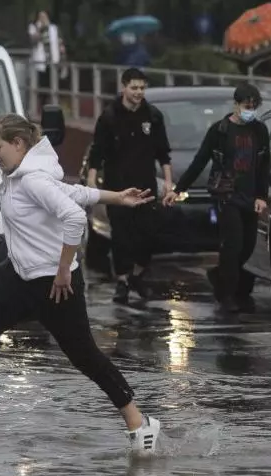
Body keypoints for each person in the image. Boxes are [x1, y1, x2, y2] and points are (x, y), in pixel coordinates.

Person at [0, 113, 163, 453]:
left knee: (85, 357)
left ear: (18, 144)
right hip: (21, 278)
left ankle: (139, 422)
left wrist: (63, 269)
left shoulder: (32, 180)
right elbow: (73, 192)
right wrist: (116, 197)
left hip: (55, 284)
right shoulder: (20, 176)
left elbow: (73, 216)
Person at [164, 83, 270, 315]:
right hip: (226, 195)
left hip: (250, 196)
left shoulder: (259, 131)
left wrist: (262, 195)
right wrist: (178, 189)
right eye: (246, 106)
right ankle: (228, 295)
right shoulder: (220, 131)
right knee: (232, 245)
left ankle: (219, 275)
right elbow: (199, 161)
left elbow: (264, 165)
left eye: (254, 107)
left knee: (248, 246)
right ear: (236, 105)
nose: (250, 111)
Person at [86, 67, 173, 304]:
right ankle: (123, 281)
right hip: (118, 188)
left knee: (148, 235)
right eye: (134, 87)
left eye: (142, 88)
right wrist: (92, 181)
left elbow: (163, 153)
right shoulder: (109, 117)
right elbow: (97, 152)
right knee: (121, 236)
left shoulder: (153, 116)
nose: (138, 92)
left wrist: (168, 183)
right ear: (123, 87)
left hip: (146, 187)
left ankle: (138, 274)